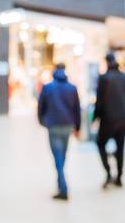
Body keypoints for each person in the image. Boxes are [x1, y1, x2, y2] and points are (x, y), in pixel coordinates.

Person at [37, 63, 81, 201]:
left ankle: (63, 188)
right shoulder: (72, 88)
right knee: (62, 156)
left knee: (58, 157)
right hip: (67, 126)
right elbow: (77, 110)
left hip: (54, 126)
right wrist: (77, 127)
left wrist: (43, 121)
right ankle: (61, 185)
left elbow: (40, 108)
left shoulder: (47, 88)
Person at [94, 53, 125, 188]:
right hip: (124, 119)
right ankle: (119, 176)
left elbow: (99, 101)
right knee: (120, 147)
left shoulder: (104, 78)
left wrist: (95, 118)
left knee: (100, 144)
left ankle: (108, 173)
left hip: (108, 119)